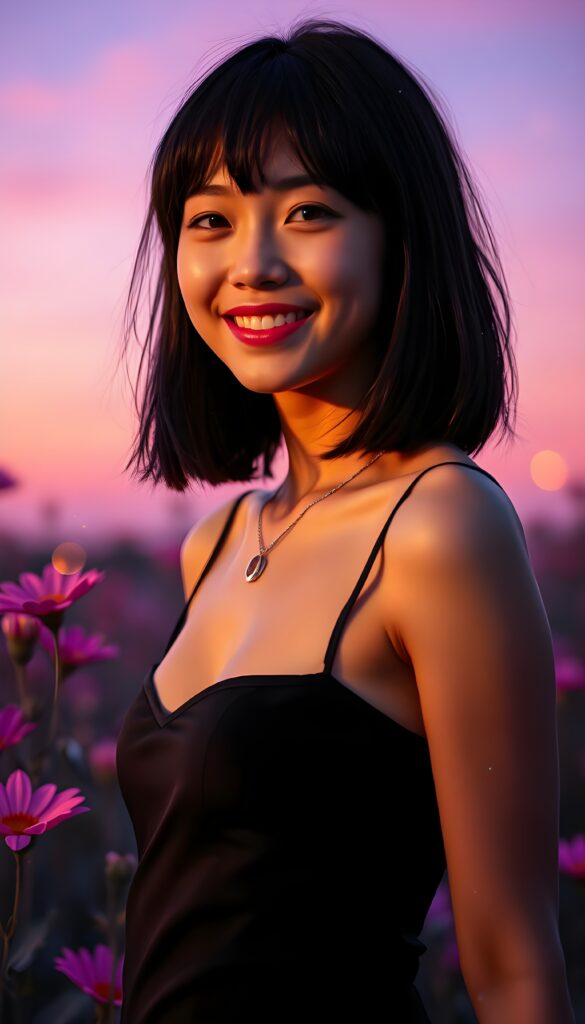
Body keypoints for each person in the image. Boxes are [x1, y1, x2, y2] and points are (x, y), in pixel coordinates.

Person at [115, 16, 574, 1023]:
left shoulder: (439, 526)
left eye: (310, 212)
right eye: (211, 219)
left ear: (400, 235)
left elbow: (512, 965)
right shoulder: (219, 543)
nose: (254, 263)